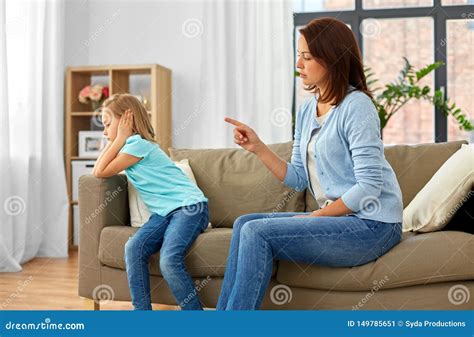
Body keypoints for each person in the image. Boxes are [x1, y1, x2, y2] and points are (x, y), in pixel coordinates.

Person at [216, 17, 403, 310]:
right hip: (340, 219)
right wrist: (258, 147)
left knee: (256, 231)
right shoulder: (306, 111)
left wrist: (317, 216)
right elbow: (298, 178)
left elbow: (369, 186)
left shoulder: (357, 107)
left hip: (373, 225)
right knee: (244, 224)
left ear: (331, 59)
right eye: (298, 56)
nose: (298, 65)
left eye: (307, 57)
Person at [93, 93, 209, 310]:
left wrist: (119, 139)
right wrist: (117, 139)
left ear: (128, 119)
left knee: (169, 260)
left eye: (108, 124)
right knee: (133, 248)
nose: (105, 131)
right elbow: (99, 168)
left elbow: (100, 171)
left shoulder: (136, 145)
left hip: (189, 208)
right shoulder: (131, 146)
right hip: (165, 212)